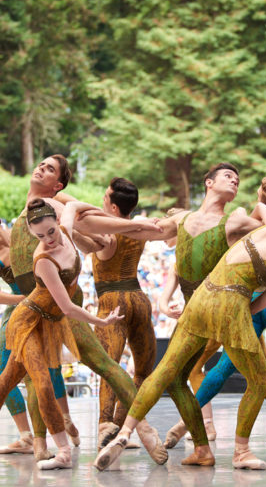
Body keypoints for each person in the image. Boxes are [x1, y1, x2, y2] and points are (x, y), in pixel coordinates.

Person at [94, 209, 266, 472]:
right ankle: (241, 451)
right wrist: (237, 320)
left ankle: (125, 432)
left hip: (201, 298)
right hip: (232, 306)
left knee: (165, 372)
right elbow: (261, 302)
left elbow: (261, 208)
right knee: (262, 381)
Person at [7, 154, 165, 462]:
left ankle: (130, 428)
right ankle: (43, 445)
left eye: (49, 168)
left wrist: (129, 225)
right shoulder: (41, 208)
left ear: (58, 184)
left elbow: (91, 226)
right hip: (47, 302)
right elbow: (91, 235)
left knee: (103, 364)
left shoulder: (55, 205)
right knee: (32, 374)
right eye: (41, 164)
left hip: (76, 300)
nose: (41, 168)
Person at [0, 199, 124, 470]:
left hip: (49, 320)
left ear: (57, 224)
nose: (48, 239)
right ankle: (61, 449)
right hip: (26, 320)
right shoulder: (40, 259)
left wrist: (120, 224)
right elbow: (66, 306)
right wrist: (99, 321)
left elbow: (74, 206)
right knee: (38, 382)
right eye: (40, 236)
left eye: (50, 232)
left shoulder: (62, 229)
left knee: (6, 379)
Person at [185, 177, 266, 444]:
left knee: (224, 366)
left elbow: (250, 212)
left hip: (249, 303)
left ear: (261, 199)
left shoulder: (253, 225)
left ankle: (185, 423)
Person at [0, 200, 70, 456]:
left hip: (51, 304)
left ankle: (65, 424)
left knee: (50, 368)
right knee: (2, 371)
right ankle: (27, 436)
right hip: (19, 312)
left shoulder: (27, 232)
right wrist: (30, 300)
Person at [73, 178, 158, 451]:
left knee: (108, 366)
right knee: (143, 371)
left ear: (111, 205)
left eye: (103, 198)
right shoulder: (140, 228)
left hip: (113, 302)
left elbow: (79, 229)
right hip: (139, 299)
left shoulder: (106, 235)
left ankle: (105, 424)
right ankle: (124, 427)